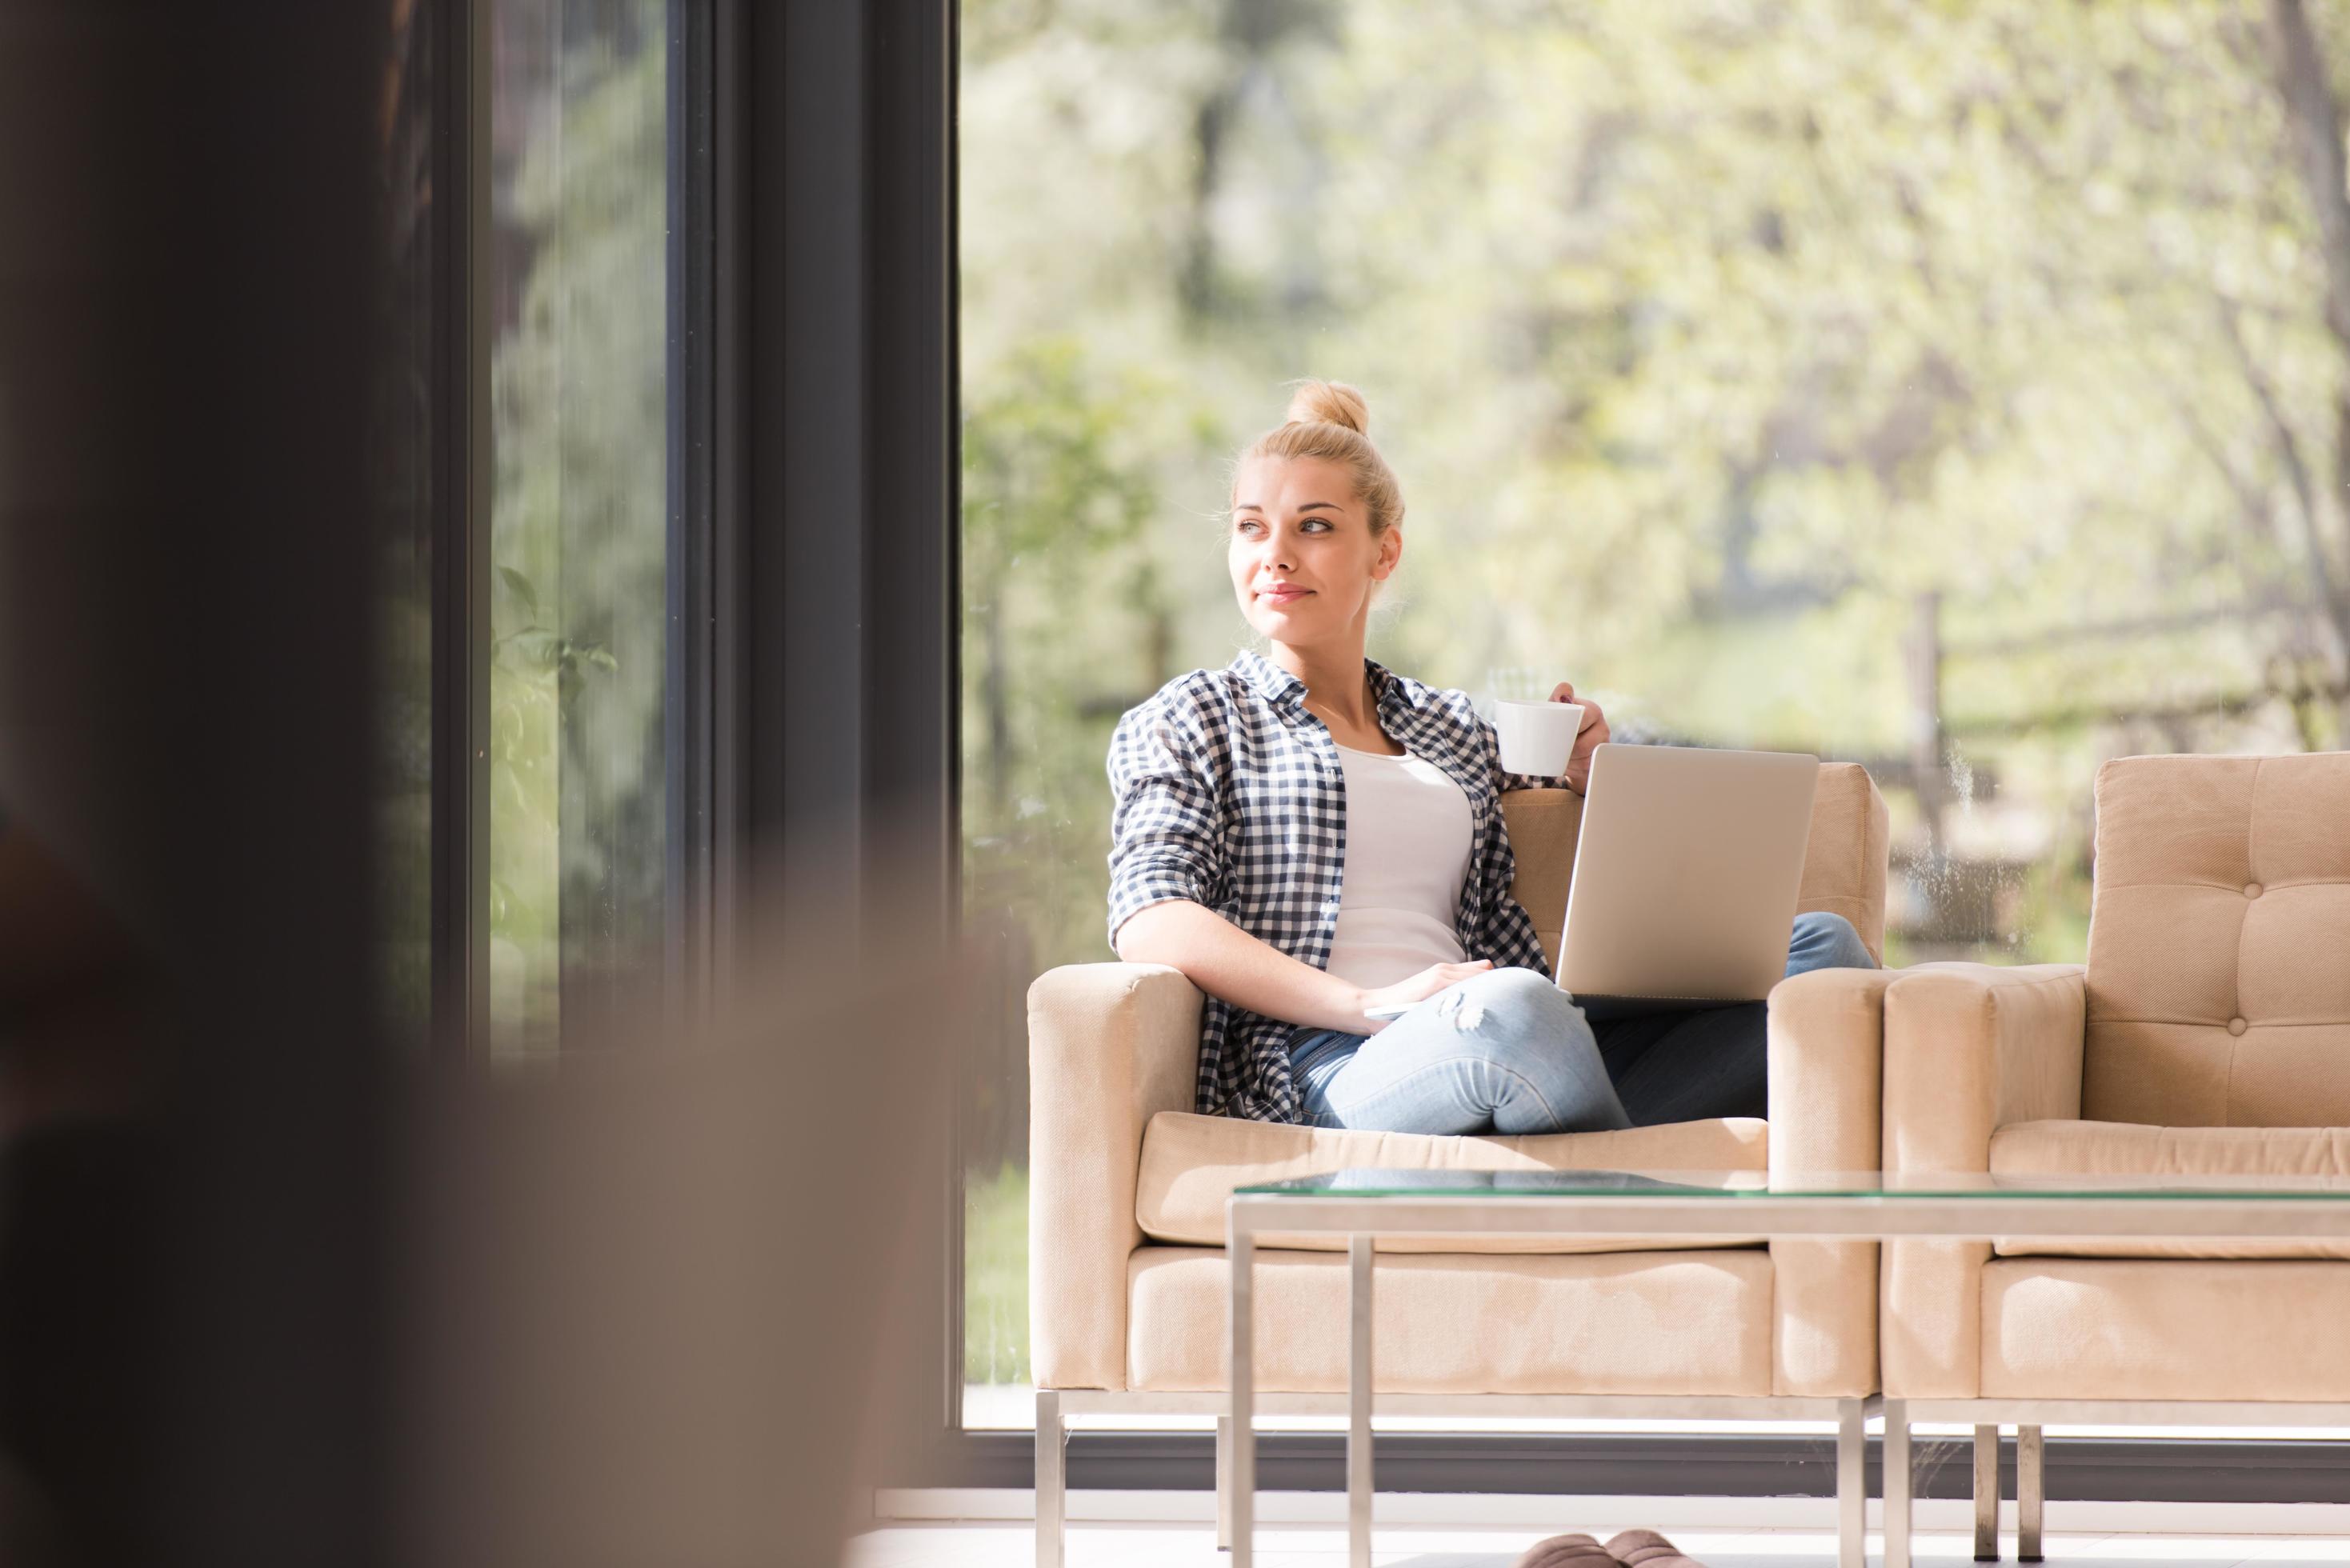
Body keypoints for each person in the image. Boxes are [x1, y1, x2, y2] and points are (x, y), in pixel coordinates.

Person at [1105, 379, 1877, 1133]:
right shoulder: (1195, 715)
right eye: (1251, 527)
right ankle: (1624, 1197)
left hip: (1508, 1018)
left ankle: (1597, 1146)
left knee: (1823, 954)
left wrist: (1587, 762)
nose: (1274, 555)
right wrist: (1366, 1003)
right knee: (1514, 1011)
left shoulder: (1446, 724)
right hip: (1332, 1059)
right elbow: (1151, 915)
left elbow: (1571, 765)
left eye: (1313, 526)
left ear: (1384, 552)